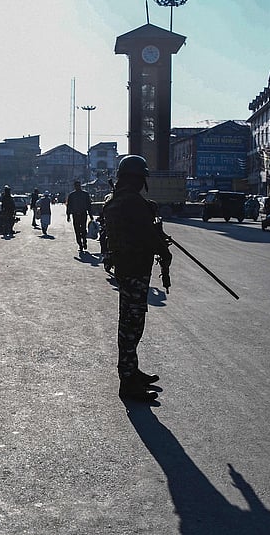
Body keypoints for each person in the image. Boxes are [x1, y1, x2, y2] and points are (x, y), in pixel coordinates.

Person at [101, 155, 171, 403]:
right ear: (137, 178)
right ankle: (128, 383)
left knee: (131, 324)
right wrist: (163, 248)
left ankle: (131, 371)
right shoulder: (132, 202)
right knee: (131, 326)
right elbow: (147, 236)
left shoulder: (119, 200)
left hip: (127, 268)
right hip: (133, 269)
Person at [66, 180, 94, 253]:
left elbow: (89, 205)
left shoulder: (85, 194)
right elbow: (69, 206)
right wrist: (68, 215)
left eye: (78, 186)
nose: (77, 187)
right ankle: (80, 244)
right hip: (76, 214)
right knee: (77, 230)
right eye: (76, 186)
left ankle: (84, 241)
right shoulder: (72, 195)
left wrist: (91, 215)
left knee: (82, 229)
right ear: (75, 186)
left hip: (83, 214)